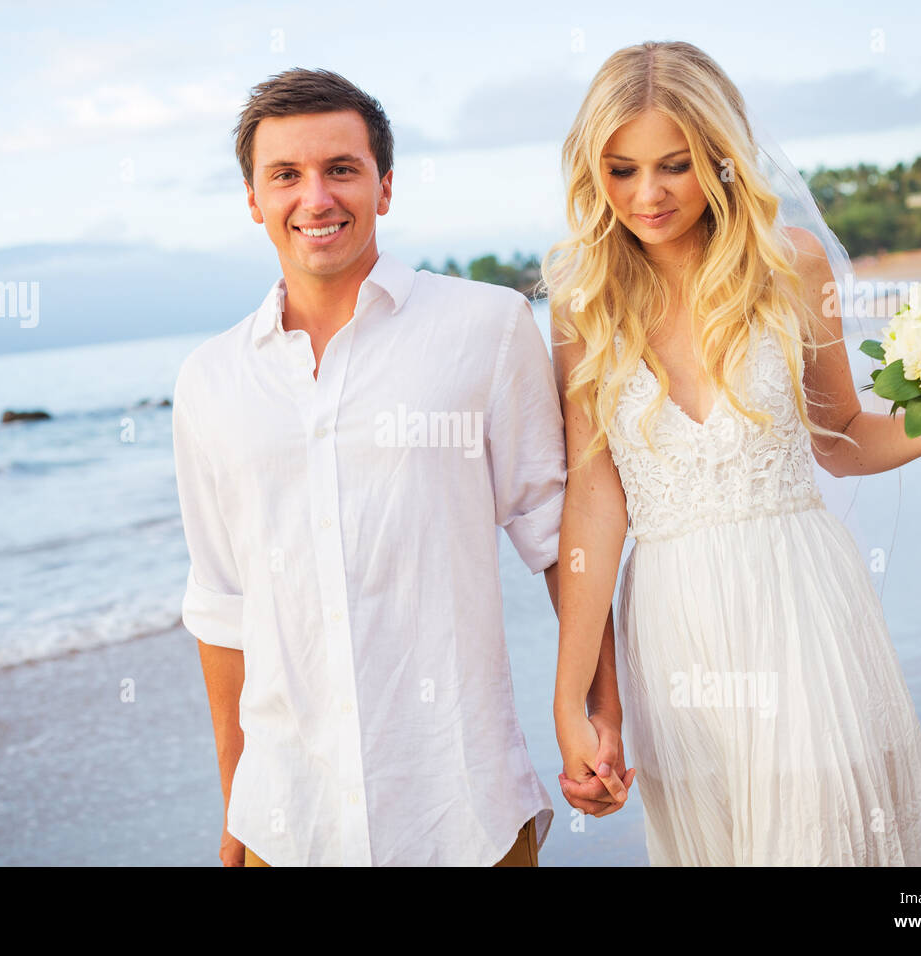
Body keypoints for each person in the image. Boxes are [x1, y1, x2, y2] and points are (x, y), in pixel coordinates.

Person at [545, 41, 921, 865]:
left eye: (674, 165)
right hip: (674, 623)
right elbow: (594, 500)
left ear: (719, 155)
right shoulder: (584, 302)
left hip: (800, 597)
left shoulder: (792, 263)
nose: (647, 194)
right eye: (621, 170)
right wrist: (572, 697)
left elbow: (844, 442)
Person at [171, 67, 630, 867]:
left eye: (340, 169)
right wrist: (236, 802)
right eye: (286, 175)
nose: (316, 198)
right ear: (253, 198)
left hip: (464, 809)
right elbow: (222, 606)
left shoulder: (484, 328)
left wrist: (602, 712)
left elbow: (561, 541)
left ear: (384, 187)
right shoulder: (209, 381)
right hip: (290, 821)